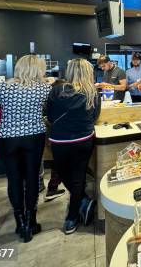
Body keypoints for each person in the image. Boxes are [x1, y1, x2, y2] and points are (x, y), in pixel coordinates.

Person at [0, 55, 51, 243]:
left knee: (14, 179)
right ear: (38, 69)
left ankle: (20, 223)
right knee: (32, 178)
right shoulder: (44, 88)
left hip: (7, 139)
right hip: (34, 136)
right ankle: (31, 221)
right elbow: (49, 112)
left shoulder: (3, 87)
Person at [46, 59, 100, 234]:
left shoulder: (56, 91)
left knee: (67, 175)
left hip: (59, 141)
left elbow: (50, 115)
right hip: (83, 139)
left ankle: (74, 214)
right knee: (77, 178)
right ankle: (79, 206)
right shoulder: (92, 92)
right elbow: (95, 116)